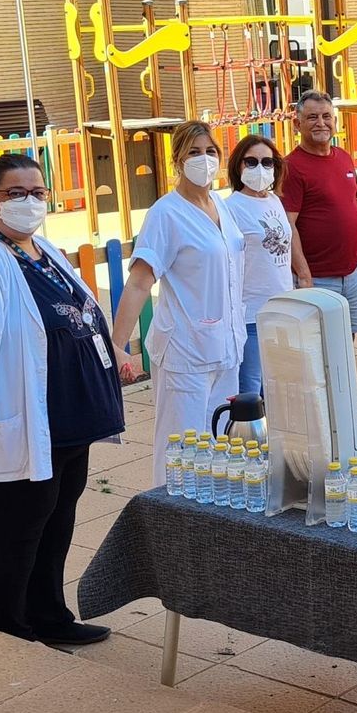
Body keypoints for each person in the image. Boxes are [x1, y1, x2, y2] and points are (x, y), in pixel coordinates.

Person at [0, 153, 125, 648]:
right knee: (12, 535)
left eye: (36, 192)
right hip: (18, 426)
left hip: (67, 424)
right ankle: (8, 635)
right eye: (14, 193)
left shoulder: (43, 250)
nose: (28, 202)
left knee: (56, 524)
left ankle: (50, 616)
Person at [111, 121, 246, 484]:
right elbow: (139, 281)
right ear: (177, 161)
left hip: (226, 348)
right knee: (181, 450)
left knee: (219, 443)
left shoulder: (220, 205)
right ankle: (166, 513)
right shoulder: (166, 214)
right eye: (194, 152)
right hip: (186, 351)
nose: (205, 159)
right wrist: (118, 345)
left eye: (210, 151)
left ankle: (209, 514)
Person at [281, 91, 357, 335]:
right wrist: (304, 275)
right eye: (312, 117)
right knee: (319, 345)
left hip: (351, 273)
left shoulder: (343, 157)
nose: (321, 123)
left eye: (326, 116)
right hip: (317, 278)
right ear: (297, 124)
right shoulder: (291, 167)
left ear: (335, 121)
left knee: (348, 339)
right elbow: (288, 226)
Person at [223, 134, 292, 395]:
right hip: (251, 312)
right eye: (251, 162)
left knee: (277, 386)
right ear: (238, 165)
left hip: (281, 308)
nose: (259, 168)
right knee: (250, 386)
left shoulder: (274, 201)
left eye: (267, 162)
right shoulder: (231, 207)